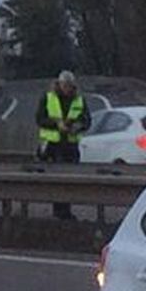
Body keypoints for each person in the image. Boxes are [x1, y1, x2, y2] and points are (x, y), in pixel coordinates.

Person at [35, 69, 90, 219]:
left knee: (70, 180)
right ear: (59, 85)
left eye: (69, 86)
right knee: (56, 179)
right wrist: (57, 124)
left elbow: (86, 120)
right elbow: (40, 119)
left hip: (71, 145)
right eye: (64, 85)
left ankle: (65, 211)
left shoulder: (79, 99)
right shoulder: (48, 98)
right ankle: (59, 212)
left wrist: (77, 126)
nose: (67, 88)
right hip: (53, 145)